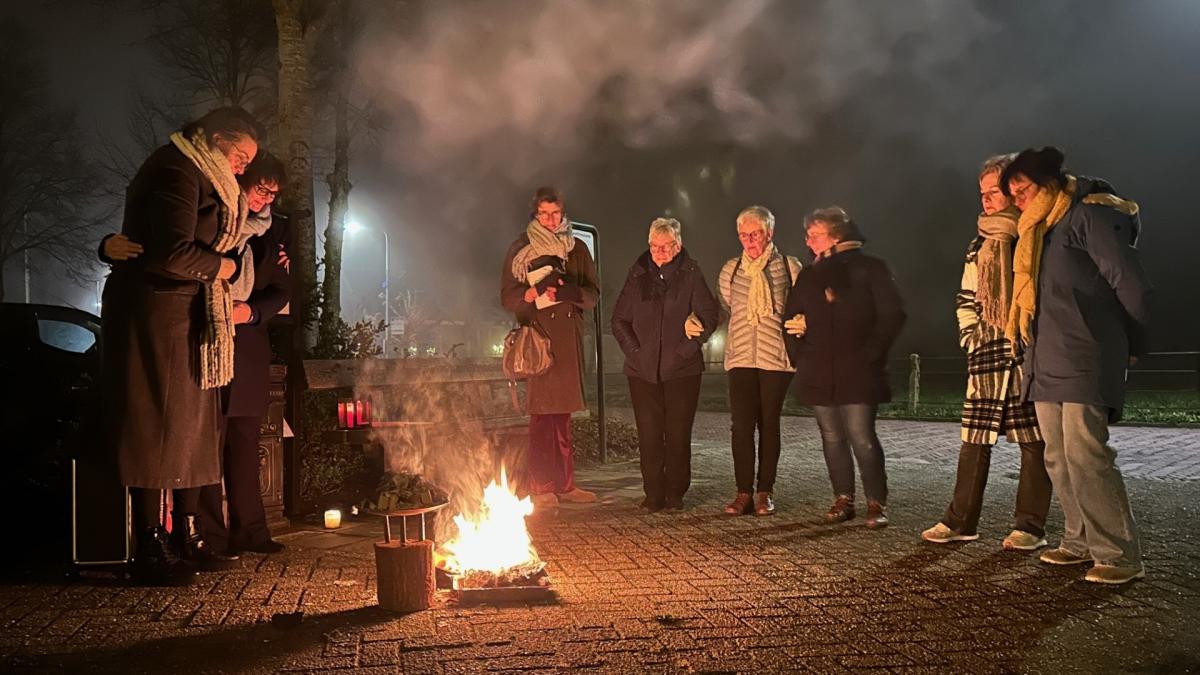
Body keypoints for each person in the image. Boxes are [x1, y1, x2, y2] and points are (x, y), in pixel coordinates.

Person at [99, 106, 262, 585]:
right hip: (158, 313)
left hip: (192, 315)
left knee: (194, 427)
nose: (242, 168)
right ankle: (150, 543)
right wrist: (225, 269)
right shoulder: (176, 169)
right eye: (240, 156)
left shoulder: (204, 174)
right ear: (214, 138)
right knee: (156, 425)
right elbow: (170, 252)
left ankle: (188, 535)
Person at [108, 153, 293, 556]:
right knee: (204, 442)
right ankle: (207, 534)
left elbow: (281, 289)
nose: (265, 199)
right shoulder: (211, 220)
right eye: (260, 189)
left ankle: (252, 531)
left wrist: (252, 311)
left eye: (272, 194)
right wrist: (108, 248)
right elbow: (163, 249)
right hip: (203, 341)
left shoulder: (273, 232)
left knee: (245, 446)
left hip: (246, 348)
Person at [1000, 146, 1150, 585]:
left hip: (1086, 351)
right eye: (1013, 194)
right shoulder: (1038, 231)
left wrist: (1134, 342)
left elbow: (1130, 282)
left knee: (1087, 455)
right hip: (1045, 357)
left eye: (1023, 190)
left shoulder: (1088, 216)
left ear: (1049, 182)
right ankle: (1078, 540)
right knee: (1058, 456)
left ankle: (1119, 553)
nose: (1017, 201)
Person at [922, 155, 1052, 551]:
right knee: (974, 439)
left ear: (1013, 191)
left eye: (994, 191)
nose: (987, 199)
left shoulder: (1036, 233)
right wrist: (970, 336)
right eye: (982, 193)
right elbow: (966, 296)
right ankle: (960, 521)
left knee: (1034, 440)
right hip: (987, 350)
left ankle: (1030, 526)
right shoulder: (978, 242)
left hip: (1026, 351)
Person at [783, 207, 905, 529]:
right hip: (819, 368)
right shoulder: (809, 276)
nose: (808, 241)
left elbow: (892, 314)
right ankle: (843, 498)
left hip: (858, 369)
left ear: (836, 236)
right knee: (832, 437)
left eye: (815, 235)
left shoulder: (871, 269)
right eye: (807, 235)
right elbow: (790, 317)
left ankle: (876, 501)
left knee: (861, 436)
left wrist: (871, 354)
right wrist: (800, 354)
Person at [500, 186, 601, 508]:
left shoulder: (576, 248)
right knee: (542, 419)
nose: (550, 219)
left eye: (555, 213)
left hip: (567, 340)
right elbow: (507, 296)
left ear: (563, 213)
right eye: (544, 214)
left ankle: (566, 485)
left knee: (563, 419)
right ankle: (542, 488)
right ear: (535, 214)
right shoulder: (521, 248)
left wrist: (572, 293)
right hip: (539, 340)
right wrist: (528, 295)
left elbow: (593, 292)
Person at [611, 218, 720, 512]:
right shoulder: (637, 275)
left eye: (665, 246)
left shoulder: (691, 275)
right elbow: (619, 320)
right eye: (654, 246)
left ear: (678, 246)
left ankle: (675, 493)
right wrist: (635, 353)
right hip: (641, 372)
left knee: (677, 435)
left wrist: (687, 349)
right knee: (648, 435)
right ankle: (652, 494)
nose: (659, 252)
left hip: (682, 371)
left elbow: (710, 315)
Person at [717, 206, 801, 516]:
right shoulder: (731, 270)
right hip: (740, 356)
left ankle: (765, 492)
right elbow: (725, 308)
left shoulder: (790, 267)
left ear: (769, 233)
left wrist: (804, 320)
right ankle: (743, 493)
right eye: (744, 235)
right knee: (741, 426)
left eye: (756, 234)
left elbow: (803, 305)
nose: (750, 240)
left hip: (775, 359)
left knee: (768, 424)